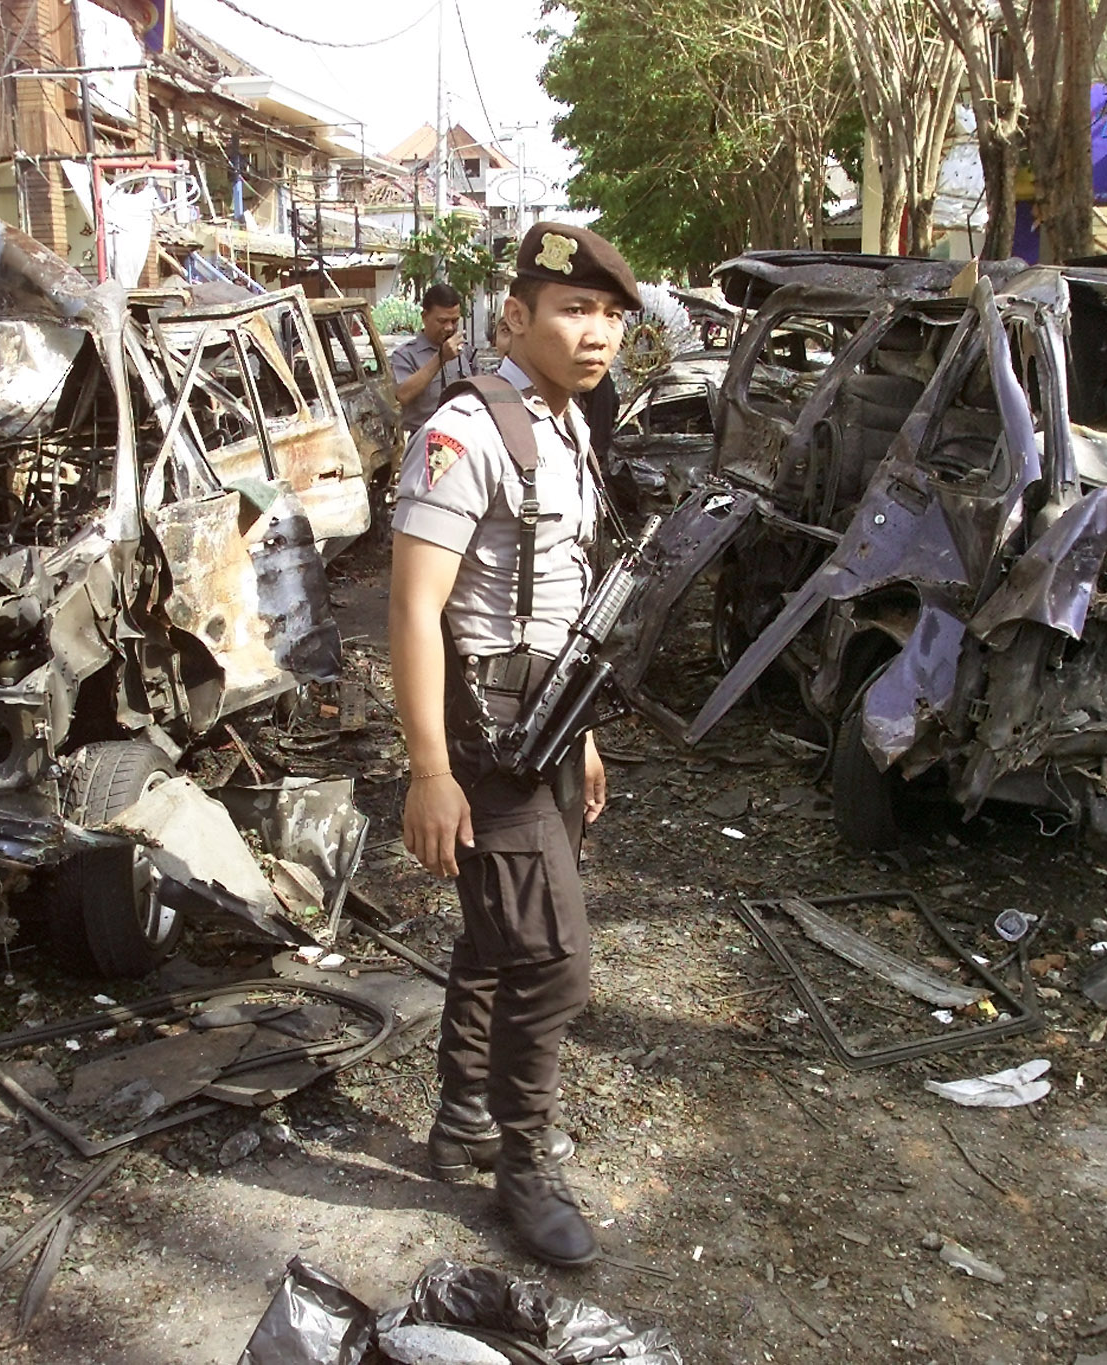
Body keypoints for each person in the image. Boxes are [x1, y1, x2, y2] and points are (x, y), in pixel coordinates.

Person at [388, 222, 641, 1267]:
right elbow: (409, 609)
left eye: (610, 316)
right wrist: (429, 773)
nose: (596, 334)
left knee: (497, 938)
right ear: (518, 316)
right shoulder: (463, 429)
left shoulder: (564, 421)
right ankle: (521, 1167)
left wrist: (576, 736)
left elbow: (556, 590)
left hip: (544, 727)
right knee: (555, 960)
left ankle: (460, 1125)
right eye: (574, 310)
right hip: (481, 744)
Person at [391, 283, 472, 434]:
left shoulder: (466, 351)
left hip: (463, 437)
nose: (449, 328)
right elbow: (403, 395)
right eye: (442, 321)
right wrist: (440, 359)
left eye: (454, 321)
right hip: (424, 440)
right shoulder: (405, 355)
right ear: (425, 317)